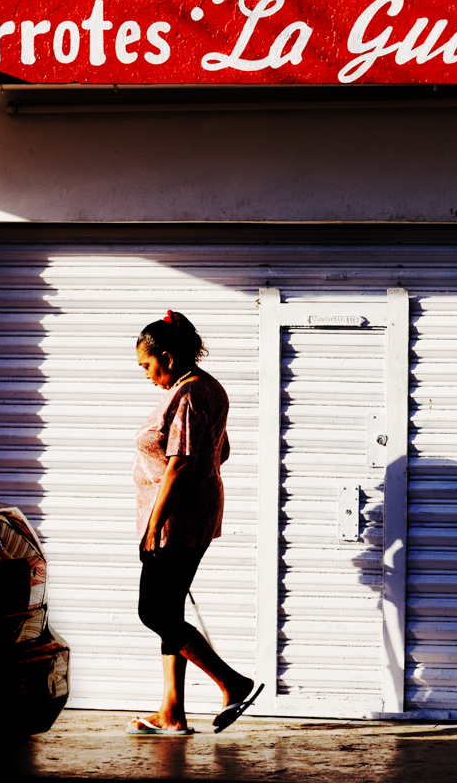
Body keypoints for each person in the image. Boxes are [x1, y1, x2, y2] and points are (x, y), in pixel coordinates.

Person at [127, 309, 262, 736]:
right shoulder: (208, 388)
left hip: (175, 520)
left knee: (154, 612)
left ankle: (232, 682)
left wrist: (154, 525)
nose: (146, 375)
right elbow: (220, 452)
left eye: (147, 366)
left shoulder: (186, 396)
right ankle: (171, 712)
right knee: (170, 612)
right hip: (195, 514)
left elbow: (181, 464)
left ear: (167, 356)